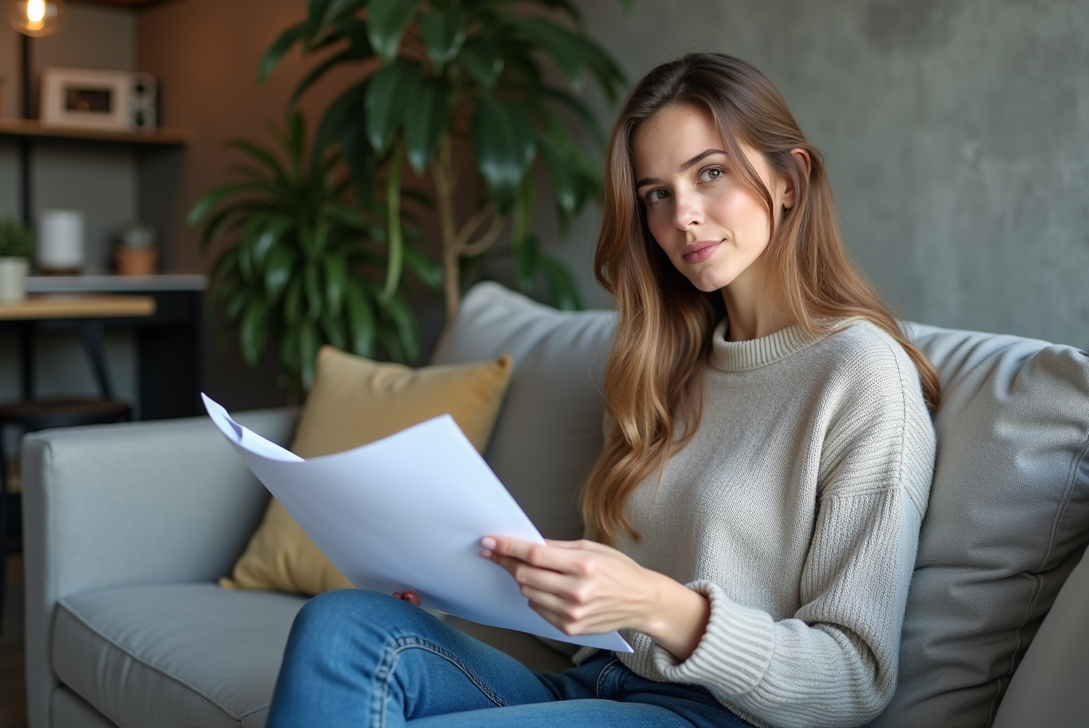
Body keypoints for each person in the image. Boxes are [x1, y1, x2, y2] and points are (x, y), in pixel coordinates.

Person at [266, 52, 939, 728]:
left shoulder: (862, 373)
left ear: (790, 180)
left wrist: (656, 605)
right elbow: (592, 624)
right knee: (345, 624)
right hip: (594, 685)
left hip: (719, 715)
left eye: (711, 173)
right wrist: (460, 586)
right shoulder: (662, 365)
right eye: (657, 194)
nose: (684, 217)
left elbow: (853, 679)